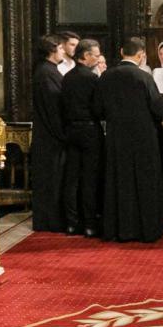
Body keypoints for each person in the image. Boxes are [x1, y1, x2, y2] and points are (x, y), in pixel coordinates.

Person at [96, 37, 163, 243]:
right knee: (145, 182)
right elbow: (158, 108)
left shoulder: (106, 77)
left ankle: (119, 229)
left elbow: (98, 109)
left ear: (121, 52)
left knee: (119, 181)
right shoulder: (143, 77)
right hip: (143, 137)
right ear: (140, 55)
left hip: (116, 137)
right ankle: (147, 230)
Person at [61, 38, 104, 238]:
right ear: (85, 56)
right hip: (89, 130)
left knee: (71, 178)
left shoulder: (67, 77)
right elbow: (98, 107)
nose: (97, 58)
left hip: (71, 130)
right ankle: (89, 224)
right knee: (89, 178)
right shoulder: (92, 78)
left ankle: (71, 223)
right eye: (95, 55)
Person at [30, 34, 67, 232]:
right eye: (60, 48)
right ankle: (49, 220)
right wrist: (63, 133)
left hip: (49, 134)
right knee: (50, 179)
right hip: (50, 136)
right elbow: (53, 107)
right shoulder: (46, 73)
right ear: (52, 50)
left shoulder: (49, 71)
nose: (63, 51)